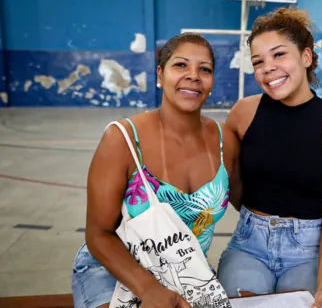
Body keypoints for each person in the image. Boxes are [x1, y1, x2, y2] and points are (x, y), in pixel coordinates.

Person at [71, 32, 241, 308]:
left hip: (187, 271)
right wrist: (149, 289)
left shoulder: (225, 141)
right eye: (181, 65)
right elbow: (98, 234)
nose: (194, 75)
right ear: (160, 75)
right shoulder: (122, 138)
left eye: (205, 69)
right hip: (113, 269)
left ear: (211, 81)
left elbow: (253, 203)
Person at [217, 6, 322, 308]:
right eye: (258, 61)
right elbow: (232, 184)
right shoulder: (242, 114)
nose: (267, 67)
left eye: (279, 55)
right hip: (249, 245)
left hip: (309, 250)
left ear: (306, 58)